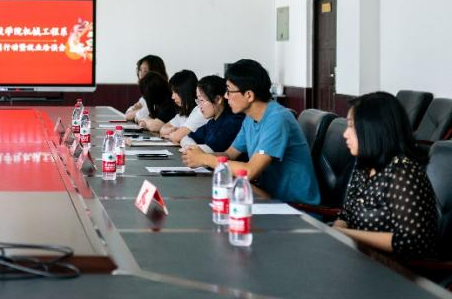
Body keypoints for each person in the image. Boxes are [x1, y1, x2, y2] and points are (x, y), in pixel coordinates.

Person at [182, 59, 319, 204]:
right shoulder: (250, 118)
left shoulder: (277, 119)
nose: (226, 96)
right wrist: (199, 155)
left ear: (249, 95)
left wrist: (205, 159)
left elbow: (250, 171)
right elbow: (230, 154)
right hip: (266, 195)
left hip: (294, 206)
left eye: (229, 91)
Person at [333, 92, 438, 259]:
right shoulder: (364, 165)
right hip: (360, 257)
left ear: (374, 130)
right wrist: (336, 230)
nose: (345, 133)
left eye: (352, 126)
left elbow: (412, 242)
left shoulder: (403, 173)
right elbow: (346, 213)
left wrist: (346, 234)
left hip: (394, 269)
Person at [181, 75, 245, 152]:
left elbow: (212, 150)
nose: (199, 106)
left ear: (218, 99)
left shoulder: (233, 122)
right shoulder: (212, 122)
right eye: (198, 101)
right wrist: (193, 148)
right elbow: (186, 138)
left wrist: (193, 149)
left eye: (202, 100)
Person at [159, 70, 209, 143]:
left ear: (185, 91)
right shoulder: (183, 113)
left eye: (175, 92)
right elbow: (162, 130)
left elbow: (176, 137)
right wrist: (174, 131)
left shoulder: (200, 111)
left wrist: (174, 134)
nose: (172, 97)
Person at [125, 55, 167, 122]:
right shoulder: (145, 95)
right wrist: (139, 113)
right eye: (140, 70)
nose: (140, 74)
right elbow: (128, 113)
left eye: (145, 71)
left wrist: (137, 113)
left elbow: (139, 116)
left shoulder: (160, 94)